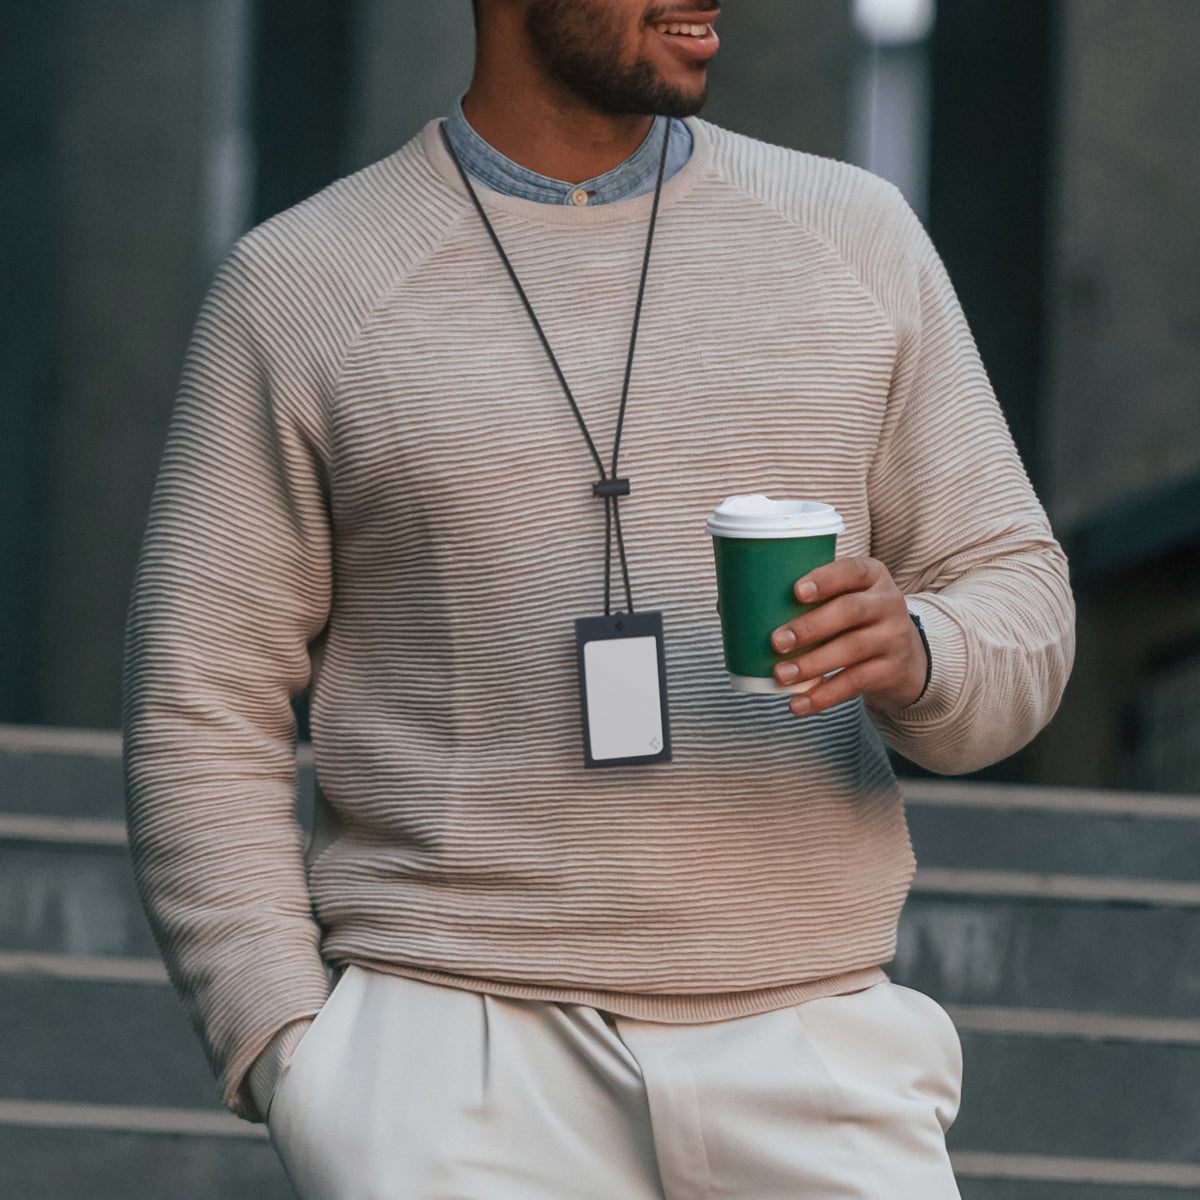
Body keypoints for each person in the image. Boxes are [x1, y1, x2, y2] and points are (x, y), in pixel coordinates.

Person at [122, 2, 1075, 1197]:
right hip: (450, 1063)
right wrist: (296, 1060)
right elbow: (199, 704)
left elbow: (1023, 596)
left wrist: (920, 646)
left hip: (815, 1041)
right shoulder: (303, 282)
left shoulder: (855, 233)